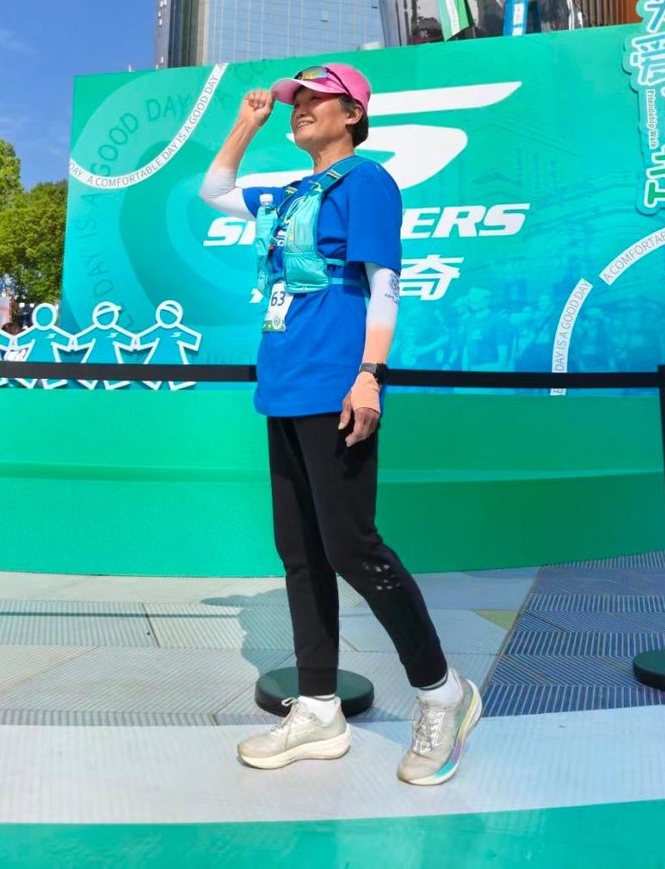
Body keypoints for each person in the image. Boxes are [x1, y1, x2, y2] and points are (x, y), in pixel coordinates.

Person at [200, 62, 481, 785]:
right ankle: (319, 709)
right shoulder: (290, 193)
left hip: (336, 384)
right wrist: (246, 125)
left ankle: (442, 694)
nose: (300, 108)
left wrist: (369, 374)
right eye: (295, 101)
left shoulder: (367, 182)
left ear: (353, 113)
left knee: (354, 546)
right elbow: (216, 190)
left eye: (315, 99)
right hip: (283, 386)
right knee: (299, 553)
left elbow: (385, 284)